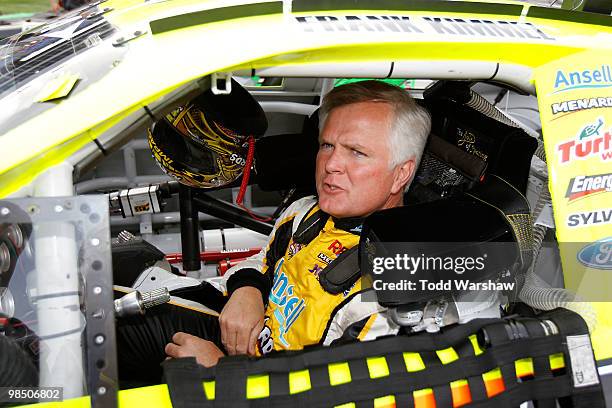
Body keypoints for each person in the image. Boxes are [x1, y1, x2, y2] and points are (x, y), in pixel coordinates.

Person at [117, 80, 432, 383]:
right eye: (327, 145)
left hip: (265, 387)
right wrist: (248, 291)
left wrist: (222, 371)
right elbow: (262, 261)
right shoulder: (306, 212)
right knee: (112, 319)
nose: (331, 164)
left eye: (357, 152)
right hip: (241, 342)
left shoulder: (393, 292)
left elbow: (335, 393)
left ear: (401, 174)